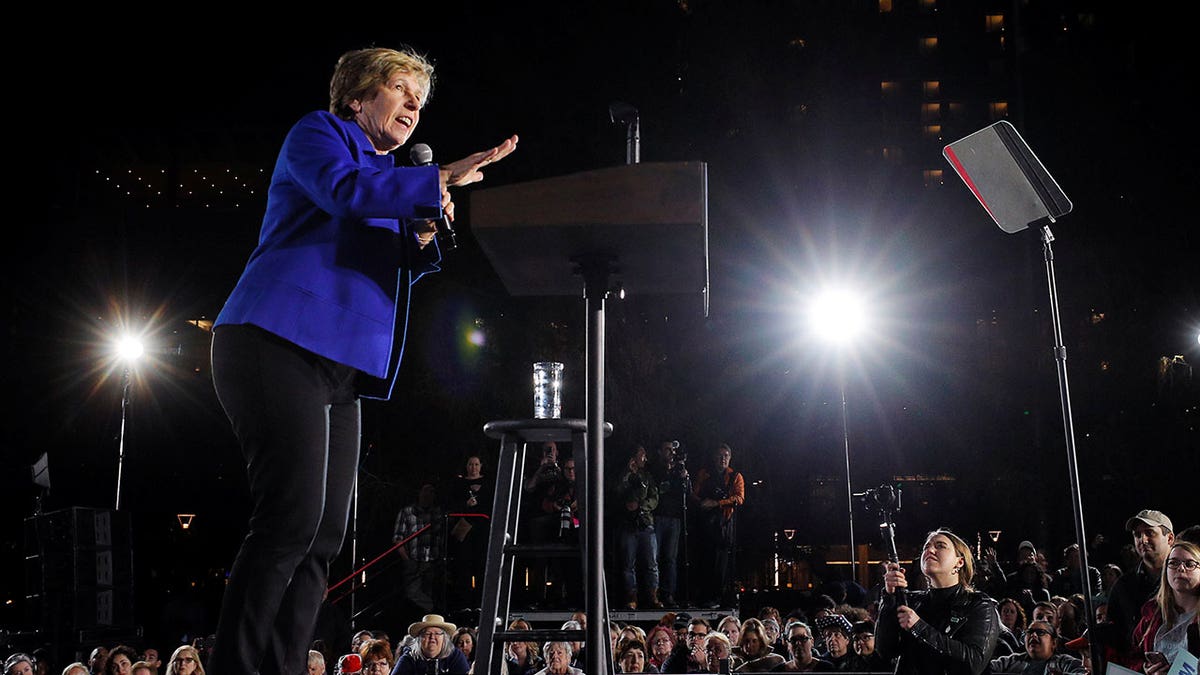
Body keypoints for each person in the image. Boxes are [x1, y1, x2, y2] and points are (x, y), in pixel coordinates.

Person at [206, 43, 517, 675]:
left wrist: (426, 230)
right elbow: (345, 193)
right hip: (274, 341)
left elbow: (390, 250)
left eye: (421, 103)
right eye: (402, 90)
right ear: (358, 95)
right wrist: (434, 180)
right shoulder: (318, 135)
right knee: (289, 517)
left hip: (339, 371)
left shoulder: (388, 179)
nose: (414, 108)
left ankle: (283, 666)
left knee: (324, 536)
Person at [876, 528, 1001, 675]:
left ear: (959, 562)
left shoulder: (979, 605)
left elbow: (973, 664)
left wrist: (919, 627)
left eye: (940, 546)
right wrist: (889, 598)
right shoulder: (911, 601)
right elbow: (885, 651)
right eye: (926, 547)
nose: (930, 550)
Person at [1108, 509, 1175, 654]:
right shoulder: (1123, 586)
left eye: (1150, 533)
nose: (1142, 540)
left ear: (1169, 538)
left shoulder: (1186, 579)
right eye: (1137, 535)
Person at [692, 443, 745, 608]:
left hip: (723, 525)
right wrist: (701, 503)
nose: (723, 459)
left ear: (730, 458)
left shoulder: (736, 476)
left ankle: (717, 597)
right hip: (704, 525)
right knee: (703, 561)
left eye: (726, 456)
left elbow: (739, 498)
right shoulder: (704, 474)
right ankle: (702, 596)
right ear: (714, 457)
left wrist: (717, 503)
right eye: (720, 455)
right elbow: (694, 493)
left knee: (720, 563)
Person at [1135, 540, 1200, 674]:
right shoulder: (1152, 614)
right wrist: (1144, 668)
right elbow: (1132, 656)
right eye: (1173, 563)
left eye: (1190, 564)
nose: (1181, 568)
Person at [619, 445, 662, 609]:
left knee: (651, 563)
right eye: (642, 455)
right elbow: (617, 492)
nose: (645, 459)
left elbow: (654, 498)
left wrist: (641, 506)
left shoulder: (647, 476)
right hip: (628, 525)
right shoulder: (623, 475)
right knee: (628, 564)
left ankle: (653, 597)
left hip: (646, 523)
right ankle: (631, 598)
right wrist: (628, 474)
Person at [448, 454, 493, 610]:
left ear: (481, 466)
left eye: (476, 464)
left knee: (482, 565)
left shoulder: (489, 483)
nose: (473, 468)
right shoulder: (459, 484)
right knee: (464, 565)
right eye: (470, 464)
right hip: (465, 527)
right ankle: (465, 603)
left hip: (483, 529)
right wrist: (465, 504)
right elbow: (452, 504)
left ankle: (481, 603)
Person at [393, 480, 444, 613]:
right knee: (412, 592)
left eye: (431, 492)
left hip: (433, 561)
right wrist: (407, 560)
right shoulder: (407, 512)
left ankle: (432, 616)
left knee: (432, 592)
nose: (428, 494)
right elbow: (398, 539)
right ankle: (433, 610)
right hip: (414, 561)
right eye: (425, 490)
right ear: (419, 493)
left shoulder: (439, 513)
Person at [652, 440, 690, 606]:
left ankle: (669, 594)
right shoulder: (654, 470)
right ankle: (654, 594)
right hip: (657, 516)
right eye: (667, 449)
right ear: (660, 452)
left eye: (673, 450)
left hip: (674, 519)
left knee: (670, 558)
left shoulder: (678, 470)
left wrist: (684, 477)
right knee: (655, 557)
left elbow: (687, 492)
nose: (671, 453)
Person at [988, 620, 1085, 673]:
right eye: (1029, 632)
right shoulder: (1011, 660)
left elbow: (1082, 673)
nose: (1033, 635)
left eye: (1040, 632)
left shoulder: (1064, 662)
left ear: (1054, 643)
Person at [391, 614, 471, 675]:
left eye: (437, 633)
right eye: (427, 633)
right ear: (420, 639)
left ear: (444, 638)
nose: (432, 637)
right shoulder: (410, 658)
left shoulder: (455, 656)